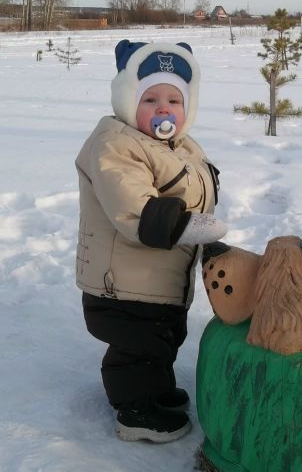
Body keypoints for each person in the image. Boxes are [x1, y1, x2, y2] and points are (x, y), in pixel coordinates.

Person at [75, 39, 227, 443]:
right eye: (151, 99)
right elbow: (133, 207)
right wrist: (190, 228)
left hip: (158, 279)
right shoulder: (116, 144)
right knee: (139, 346)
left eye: (174, 100)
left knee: (164, 338)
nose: (164, 109)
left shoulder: (181, 148)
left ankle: (154, 392)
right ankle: (136, 411)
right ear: (128, 102)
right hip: (124, 282)